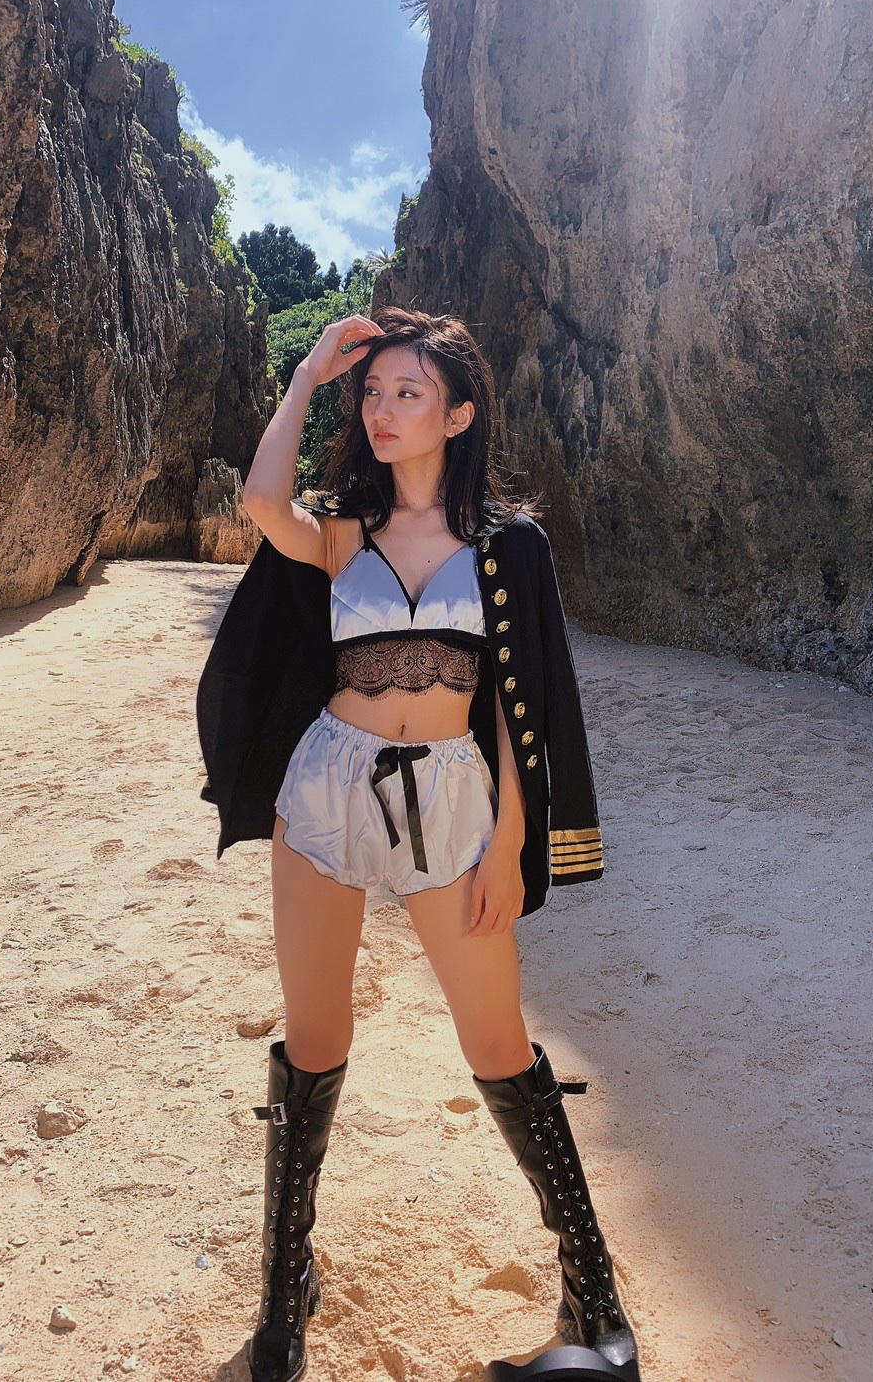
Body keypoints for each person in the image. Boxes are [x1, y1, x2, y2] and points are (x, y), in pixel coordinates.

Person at [196, 308, 640, 1382]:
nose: (384, 410)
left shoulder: (508, 545)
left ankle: (593, 1295)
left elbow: (523, 702)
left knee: (497, 1039)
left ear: (459, 414)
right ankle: (284, 1296)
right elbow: (261, 503)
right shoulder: (342, 532)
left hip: (452, 803)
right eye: (374, 392)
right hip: (326, 789)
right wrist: (306, 375)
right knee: (314, 1039)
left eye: (409, 392)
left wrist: (512, 838)